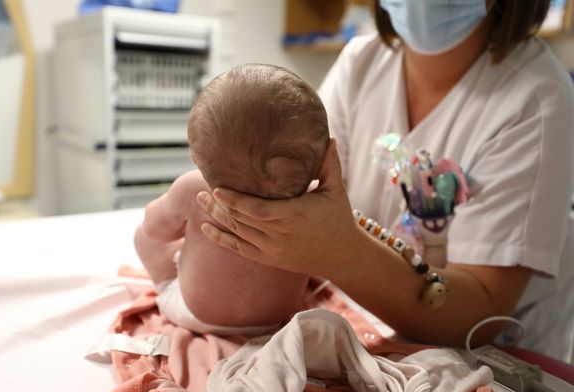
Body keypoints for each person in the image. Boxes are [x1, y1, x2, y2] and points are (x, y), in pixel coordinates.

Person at [196, 0, 574, 360]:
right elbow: (294, 191)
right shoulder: (361, 63)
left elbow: (481, 316)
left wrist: (340, 254)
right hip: (360, 332)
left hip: (492, 366)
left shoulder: (537, 99)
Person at [134, 63, 329, 335]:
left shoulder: (193, 189)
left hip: (198, 314)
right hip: (277, 317)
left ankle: (166, 285)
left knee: (143, 236)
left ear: (196, 155)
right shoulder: (314, 201)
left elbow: (156, 229)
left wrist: (160, 214)